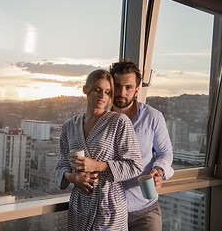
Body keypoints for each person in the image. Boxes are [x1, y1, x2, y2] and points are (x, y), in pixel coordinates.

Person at [55, 69, 143, 230]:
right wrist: (72, 177)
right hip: (80, 206)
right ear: (85, 90)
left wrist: (98, 166)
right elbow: (61, 164)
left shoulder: (119, 122)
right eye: (97, 90)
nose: (103, 96)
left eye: (108, 92)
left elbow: (135, 165)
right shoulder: (69, 126)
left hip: (109, 206)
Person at [110, 59, 174, 231]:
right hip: (108, 213)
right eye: (117, 86)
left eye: (128, 87)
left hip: (144, 211)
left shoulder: (153, 117)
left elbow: (165, 154)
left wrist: (159, 170)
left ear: (137, 89)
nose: (121, 92)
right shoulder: (99, 119)